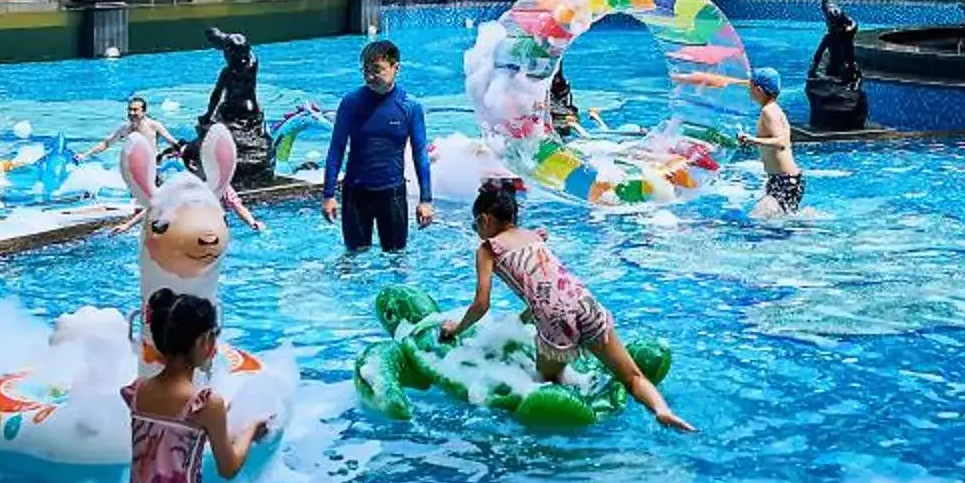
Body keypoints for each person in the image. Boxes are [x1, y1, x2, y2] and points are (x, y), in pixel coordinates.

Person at [440, 178, 691, 431]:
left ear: (485, 220)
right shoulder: (533, 236)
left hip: (555, 319)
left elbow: (481, 304)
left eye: (475, 225)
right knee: (632, 376)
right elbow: (545, 284)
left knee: (547, 387)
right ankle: (662, 411)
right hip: (585, 302)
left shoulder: (488, 249)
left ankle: (568, 435)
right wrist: (525, 318)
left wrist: (456, 329)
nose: (477, 231)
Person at [129, 288, 271, 483]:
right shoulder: (205, 403)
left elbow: (172, 437)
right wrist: (251, 429)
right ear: (203, 341)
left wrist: (221, 415)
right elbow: (228, 469)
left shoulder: (137, 391)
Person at [318, 38, 435, 252]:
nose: (370, 77)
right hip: (355, 194)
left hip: (392, 195)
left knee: (396, 258)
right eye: (366, 71)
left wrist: (425, 200)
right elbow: (336, 149)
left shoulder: (410, 106)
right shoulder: (351, 102)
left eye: (377, 70)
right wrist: (328, 195)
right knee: (354, 258)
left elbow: (420, 154)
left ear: (395, 68)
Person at [747, 66, 803, 215]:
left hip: (785, 180)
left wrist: (753, 140)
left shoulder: (768, 111)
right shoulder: (773, 108)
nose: (748, 89)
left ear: (758, 89)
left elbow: (781, 143)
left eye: (750, 86)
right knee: (778, 221)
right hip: (784, 179)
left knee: (757, 219)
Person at [83, 93, 172, 162]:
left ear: (144, 111)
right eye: (130, 109)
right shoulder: (125, 129)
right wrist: (85, 155)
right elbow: (106, 144)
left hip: (154, 165)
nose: (131, 113)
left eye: (135, 110)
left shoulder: (154, 125)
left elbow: (171, 141)